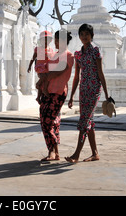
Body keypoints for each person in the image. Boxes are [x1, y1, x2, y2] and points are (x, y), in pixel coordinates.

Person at [66, 24, 109, 163]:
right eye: (82, 34)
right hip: (83, 91)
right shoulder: (78, 55)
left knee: (84, 121)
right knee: (88, 121)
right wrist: (72, 96)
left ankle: (76, 154)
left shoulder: (96, 52)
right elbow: (77, 77)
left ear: (92, 36)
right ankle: (95, 153)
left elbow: (101, 74)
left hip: (94, 90)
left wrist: (107, 96)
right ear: (79, 36)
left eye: (87, 34)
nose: (84, 37)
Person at [38, 29, 74, 161]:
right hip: (47, 91)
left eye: (60, 40)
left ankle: (53, 151)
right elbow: (45, 70)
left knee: (48, 121)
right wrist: (42, 85)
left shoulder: (68, 56)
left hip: (58, 92)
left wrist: (43, 79)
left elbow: (56, 72)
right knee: (46, 121)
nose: (57, 43)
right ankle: (53, 152)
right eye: (56, 40)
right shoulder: (54, 55)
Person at [28, 30, 54, 102]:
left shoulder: (50, 49)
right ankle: (38, 84)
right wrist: (29, 66)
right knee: (43, 78)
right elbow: (33, 58)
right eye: (44, 40)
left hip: (47, 68)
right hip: (40, 67)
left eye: (47, 40)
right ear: (41, 40)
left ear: (50, 41)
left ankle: (38, 97)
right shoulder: (38, 49)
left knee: (46, 81)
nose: (45, 42)